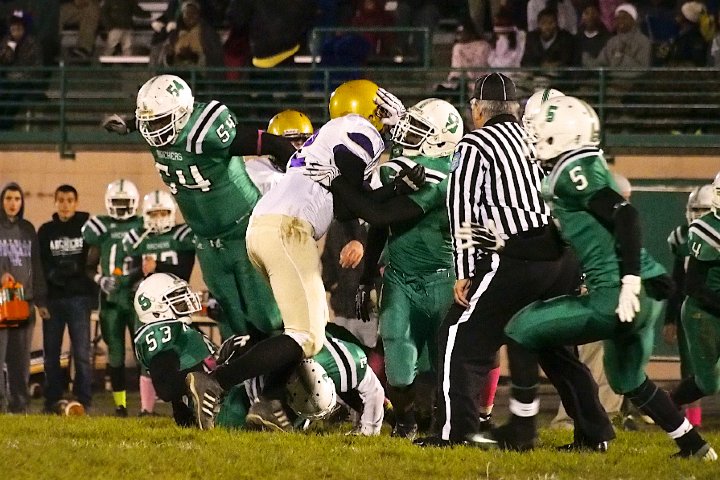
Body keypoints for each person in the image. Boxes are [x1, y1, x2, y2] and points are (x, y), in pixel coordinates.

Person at [184, 78, 407, 430]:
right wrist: (391, 174)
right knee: (307, 335)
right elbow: (363, 205)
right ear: (368, 111)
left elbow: (347, 206)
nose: (387, 119)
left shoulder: (330, 138)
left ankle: (270, 401)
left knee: (295, 330)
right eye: (380, 111)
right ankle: (217, 382)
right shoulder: (359, 129)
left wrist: (379, 192)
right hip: (288, 230)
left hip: (265, 229)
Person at [505, 95, 716, 460]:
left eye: (539, 131)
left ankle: (520, 429)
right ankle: (695, 447)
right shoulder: (575, 171)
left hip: (618, 293)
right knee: (628, 380)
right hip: (644, 292)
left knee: (520, 328)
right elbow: (554, 244)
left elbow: (626, 215)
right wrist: (501, 242)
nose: (533, 138)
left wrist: (629, 281)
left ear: (562, 135)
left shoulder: (573, 171)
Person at [414, 74, 613, 451]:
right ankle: (593, 435)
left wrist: (465, 270)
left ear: (477, 110)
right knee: (555, 348)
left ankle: (455, 433)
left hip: (519, 253)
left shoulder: (475, 143)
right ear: (516, 109)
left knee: (459, 337)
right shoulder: (533, 137)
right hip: (560, 252)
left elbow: (462, 207)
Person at [103, 74, 296, 342]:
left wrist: (300, 179)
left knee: (267, 317)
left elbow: (275, 144)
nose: (152, 130)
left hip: (243, 230)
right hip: (205, 238)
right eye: (148, 122)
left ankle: (295, 362)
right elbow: (151, 120)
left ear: (182, 113)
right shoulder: (158, 128)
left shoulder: (206, 130)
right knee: (232, 320)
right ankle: (251, 368)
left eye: (158, 121)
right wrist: (132, 123)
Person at [330, 98, 464, 439]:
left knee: (440, 364)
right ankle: (405, 422)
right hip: (400, 278)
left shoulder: (444, 177)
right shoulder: (405, 168)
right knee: (398, 360)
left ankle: (439, 423)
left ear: (441, 140)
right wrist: (367, 278)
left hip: (443, 279)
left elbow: (381, 214)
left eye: (420, 130)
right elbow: (381, 226)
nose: (407, 134)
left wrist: (338, 182)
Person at [133, 273, 384, 434]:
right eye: (175, 298)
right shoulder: (161, 331)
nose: (185, 301)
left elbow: (177, 394)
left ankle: (331, 409)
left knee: (296, 348)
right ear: (154, 307)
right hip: (226, 403)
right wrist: (204, 378)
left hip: (224, 399)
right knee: (299, 347)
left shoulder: (179, 332)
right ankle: (303, 408)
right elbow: (167, 387)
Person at [123, 189, 195, 415]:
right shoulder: (138, 239)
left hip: (176, 304)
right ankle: (146, 409)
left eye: (163, 212)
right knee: (148, 355)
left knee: (182, 353)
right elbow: (127, 276)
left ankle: (186, 403)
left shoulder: (180, 235)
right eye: (154, 213)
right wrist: (140, 269)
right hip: (150, 308)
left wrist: (158, 267)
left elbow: (184, 271)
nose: (159, 218)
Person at [82, 179, 143, 416]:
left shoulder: (143, 224)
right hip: (111, 300)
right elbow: (89, 265)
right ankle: (120, 405)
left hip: (136, 298)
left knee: (142, 352)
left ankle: (146, 405)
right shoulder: (101, 226)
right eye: (116, 202)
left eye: (124, 202)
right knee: (115, 353)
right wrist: (100, 279)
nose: (120, 206)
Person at [37, 184, 95, 413]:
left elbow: (94, 260)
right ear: (55, 202)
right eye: (61, 200)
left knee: (82, 353)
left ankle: (84, 400)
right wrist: (41, 300)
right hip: (53, 300)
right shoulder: (46, 231)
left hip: (79, 299)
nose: (65, 205)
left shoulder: (87, 228)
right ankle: (52, 399)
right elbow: (40, 266)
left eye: (70, 200)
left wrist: (92, 293)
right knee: (51, 354)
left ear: (76, 202)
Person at [670, 175, 720, 434]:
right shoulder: (707, 229)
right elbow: (693, 285)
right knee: (707, 382)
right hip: (704, 312)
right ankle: (664, 405)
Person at [0, 182, 49, 413]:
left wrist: (41, 300)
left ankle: (19, 405)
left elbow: (36, 265)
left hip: (24, 301)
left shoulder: (28, 229)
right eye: (8, 198)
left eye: (17, 199)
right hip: (2, 300)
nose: (13, 203)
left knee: (20, 359)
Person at [0, 11, 42, 130]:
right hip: (10, 78)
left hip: (27, 80)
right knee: (3, 93)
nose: (16, 32)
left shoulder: (32, 43)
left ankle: (5, 125)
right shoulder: (7, 41)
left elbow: (37, 66)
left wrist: (23, 76)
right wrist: (10, 47)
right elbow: (4, 61)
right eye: (13, 29)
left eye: (19, 29)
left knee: (16, 94)